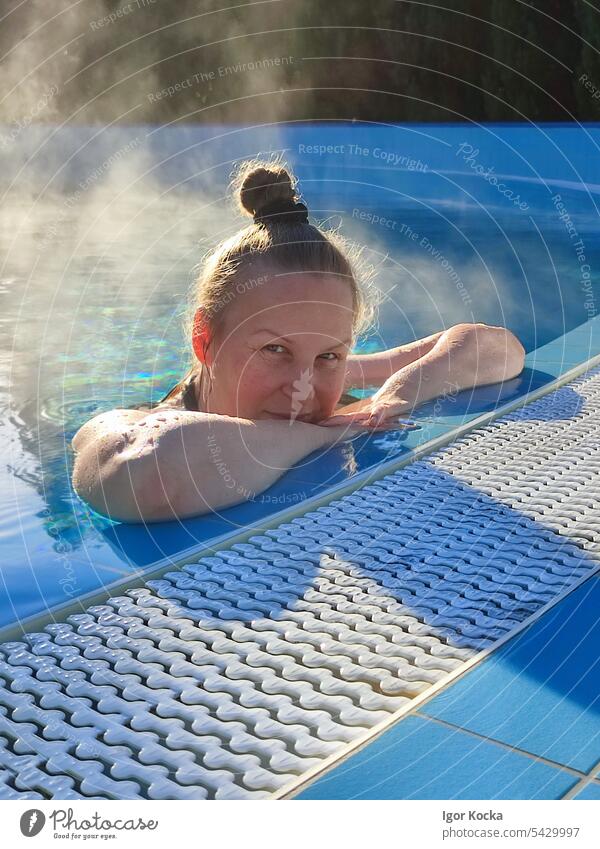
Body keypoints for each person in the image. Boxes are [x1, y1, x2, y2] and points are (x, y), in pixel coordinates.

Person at [71, 159, 525, 523]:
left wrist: (402, 391)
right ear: (205, 340)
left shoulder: (335, 376)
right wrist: (314, 435)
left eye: (328, 353)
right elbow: (143, 475)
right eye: (275, 350)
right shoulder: (161, 421)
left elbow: (495, 347)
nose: (302, 387)